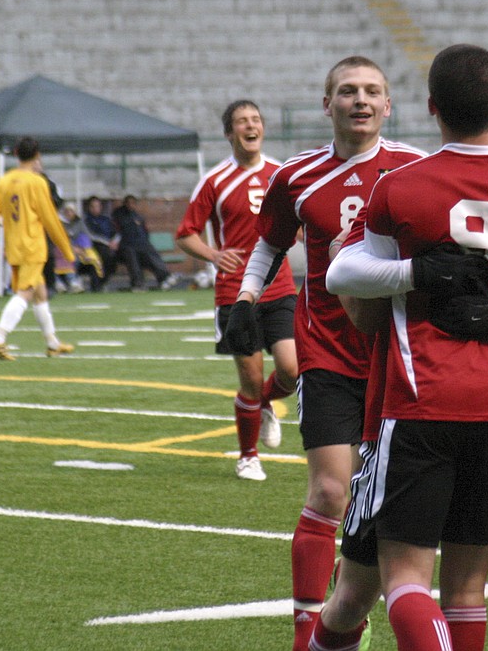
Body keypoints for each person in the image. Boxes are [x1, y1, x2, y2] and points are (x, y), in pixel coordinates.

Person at [325, 44, 488, 649]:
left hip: (417, 404)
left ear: (431, 107)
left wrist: (416, 274)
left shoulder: (401, 187)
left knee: (405, 582)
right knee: (471, 586)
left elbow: (342, 275)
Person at [226, 56, 425, 650]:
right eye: (347, 91)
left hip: (399, 356)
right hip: (330, 357)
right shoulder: (298, 175)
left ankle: (350, 612)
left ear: (388, 105)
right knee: (331, 492)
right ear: (327, 104)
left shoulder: (416, 168)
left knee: (391, 504)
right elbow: (269, 244)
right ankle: (305, 632)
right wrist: (246, 297)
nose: (359, 100)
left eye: (371, 92)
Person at [175, 100, 298, 481]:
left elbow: (303, 217)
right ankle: (248, 456)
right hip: (234, 293)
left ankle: (261, 405)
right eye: (242, 121)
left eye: (256, 119)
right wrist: (213, 254)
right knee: (249, 377)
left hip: (279, 287)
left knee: (293, 371)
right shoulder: (215, 181)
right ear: (230, 133)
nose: (251, 125)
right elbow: (185, 234)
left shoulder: (282, 173)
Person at [0, 136, 76, 361]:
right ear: (37, 155)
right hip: (33, 245)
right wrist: (66, 248)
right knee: (26, 291)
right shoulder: (37, 181)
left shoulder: (4, 180)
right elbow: (50, 217)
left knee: (40, 293)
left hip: (13, 245)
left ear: (15, 153)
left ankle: (52, 343)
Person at [112, 195, 176, 291]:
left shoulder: (138, 216)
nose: (131, 205)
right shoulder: (119, 216)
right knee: (132, 254)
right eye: (128, 203)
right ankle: (137, 282)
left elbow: (145, 233)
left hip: (141, 245)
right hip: (125, 246)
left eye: (133, 203)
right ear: (125, 204)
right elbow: (119, 232)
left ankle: (164, 277)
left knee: (149, 253)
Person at [60, 203, 102, 293]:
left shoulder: (79, 223)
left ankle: (74, 281)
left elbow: (88, 236)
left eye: (71, 211)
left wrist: (83, 249)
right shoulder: (60, 224)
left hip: (78, 250)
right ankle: (71, 281)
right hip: (62, 250)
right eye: (67, 211)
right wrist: (72, 248)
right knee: (69, 256)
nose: (69, 213)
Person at [83, 196, 118, 292]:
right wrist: (107, 243)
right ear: (88, 207)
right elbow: (91, 235)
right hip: (92, 246)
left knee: (113, 257)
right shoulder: (86, 221)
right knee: (98, 257)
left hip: (109, 246)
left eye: (97, 206)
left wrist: (115, 241)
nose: (95, 209)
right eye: (92, 206)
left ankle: (102, 282)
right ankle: (96, 285)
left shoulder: (106, 219)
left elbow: (115, 233)